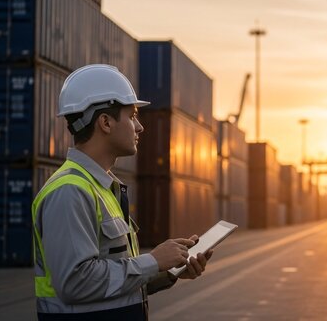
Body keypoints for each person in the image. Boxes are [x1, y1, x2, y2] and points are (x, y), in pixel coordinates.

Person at [31, 64, 213, 320]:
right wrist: (152, 261)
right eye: (132, 116)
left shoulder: (103, 188)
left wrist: (169, 271)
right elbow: (76, 283)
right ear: (105, 122)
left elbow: (112, 281)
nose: (139, 127)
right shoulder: (69, 192)